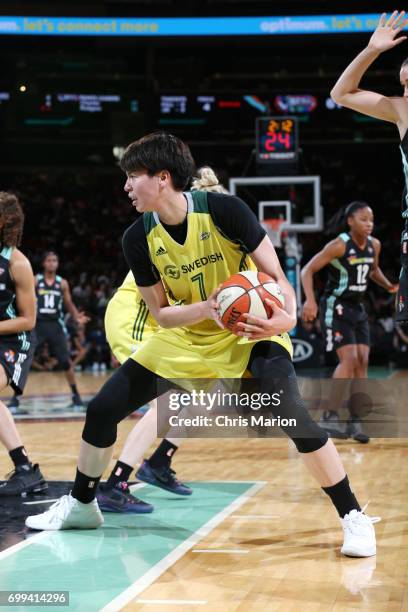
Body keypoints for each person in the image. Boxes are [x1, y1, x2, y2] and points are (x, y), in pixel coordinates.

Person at [26, 133, 379, 558]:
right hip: (189, 337)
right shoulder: (137, 238)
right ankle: (83, 505)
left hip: (251, 332)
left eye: (132, 176)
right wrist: (206, 310)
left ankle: (352, 516)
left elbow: (279, 281)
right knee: (102, 408)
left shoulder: (226, 211)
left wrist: (283, 318)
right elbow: (160, 314)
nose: (125, 187)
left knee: (292, 414)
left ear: (162, 178)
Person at [96, 167, 225, 514]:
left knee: (211, 388)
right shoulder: (170, 231)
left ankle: (159, 461)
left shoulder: (212, 243)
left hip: (166, 323)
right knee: (167, 402)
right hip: (137, 317)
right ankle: (116, 483)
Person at [330, 10, 408, 323]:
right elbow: (341, 94)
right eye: (403, 84)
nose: (405, 92)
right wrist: (372, 50)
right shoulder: (404, 111)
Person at [301, 201, 398, 443]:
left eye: (372, 220)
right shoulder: (339, 245)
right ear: (350, 221)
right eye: (364, 219)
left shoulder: (374, 245)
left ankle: (355, 421)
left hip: (357, 308)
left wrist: (388, 285)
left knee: (363, 361)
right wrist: (310, 301)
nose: (369, 224)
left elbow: (373, 269)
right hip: (336, 305)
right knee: (350, 359)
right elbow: (307, 270)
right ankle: (328, 416)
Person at [0, 192, 47, 496]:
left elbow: (28, 319)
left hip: (12, 341)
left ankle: (25, 469)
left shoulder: (18, 263)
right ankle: (25, 469)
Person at [8, 251, 89, 411]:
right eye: (49, 260)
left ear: (57, 264)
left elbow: (69, 303)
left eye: (55, 260)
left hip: (56, 326)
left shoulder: (62, 283)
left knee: (66, 362)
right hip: (37, 325)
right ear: (44, 263)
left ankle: (76, 396)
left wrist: (76, 316)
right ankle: (15, 398)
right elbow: (24, 296)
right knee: (25, 361)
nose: (52, 263)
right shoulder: (36, 280)